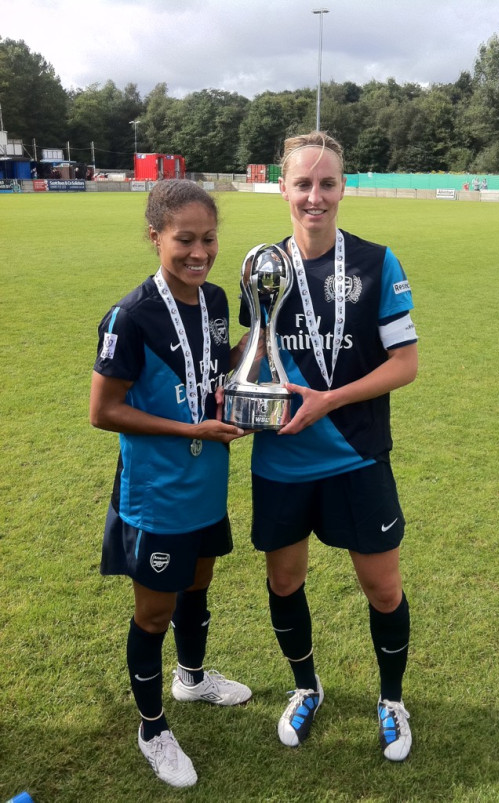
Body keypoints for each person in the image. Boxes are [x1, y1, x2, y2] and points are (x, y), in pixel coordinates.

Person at [243, 131, 419, 761]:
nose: (314, 196)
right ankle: (305, 686)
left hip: (356, 453)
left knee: (383, 589)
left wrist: (329, 400)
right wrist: (232, 394)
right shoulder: (264, 266)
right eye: (303, 183)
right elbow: (256, 352)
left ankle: (392, 700)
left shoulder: (376, 263)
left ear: (343, 187)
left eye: (327, 183)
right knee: (284, 582)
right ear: (283, 188)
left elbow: (405, 364)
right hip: (283, 459)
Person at [90, 179, 252, 789]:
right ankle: (152, 728)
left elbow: (209, 367)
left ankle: (191, 678)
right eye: (185, 240)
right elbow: (103, 411)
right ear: (155, 237)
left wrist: (256, 339)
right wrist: (190, 427)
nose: (199, 252)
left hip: (207, 479)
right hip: (157, 493)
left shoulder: (215, 301)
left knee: (198, 585)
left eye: (209, 238)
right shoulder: (130, 316)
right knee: (154, 612)